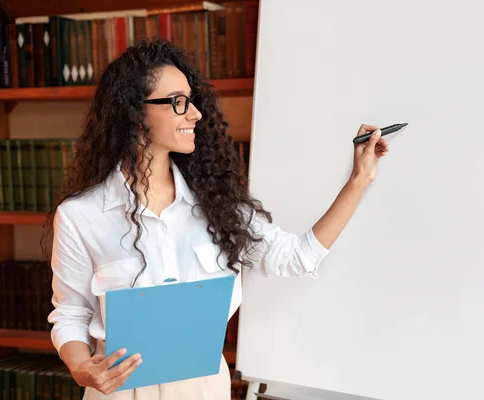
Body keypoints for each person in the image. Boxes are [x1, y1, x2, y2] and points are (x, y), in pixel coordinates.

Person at [43, 40, 389, 400]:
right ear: (134, 112)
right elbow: (70, 313)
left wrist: (359, 180)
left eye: (192, 101)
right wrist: (82, 369)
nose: (195, 114)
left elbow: (298, 257)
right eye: (179, 102)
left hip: (205, 389)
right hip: (120, 392)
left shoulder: (218, 204)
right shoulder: (80, 215)